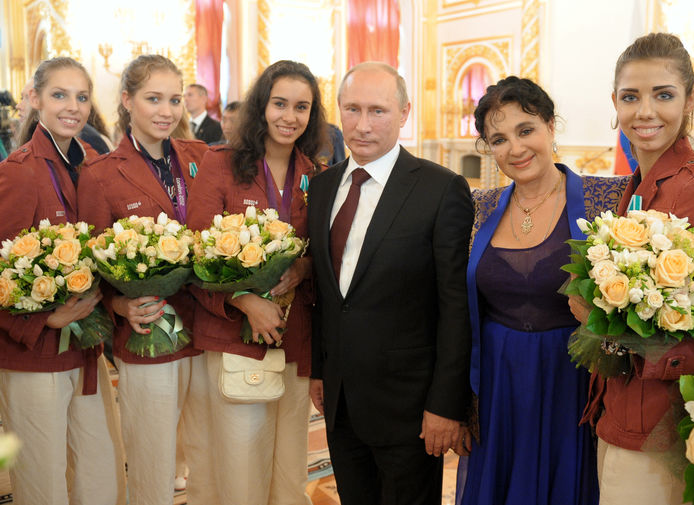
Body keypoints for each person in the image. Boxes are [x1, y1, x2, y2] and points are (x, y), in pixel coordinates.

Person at [570, 33, 694, 505]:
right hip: (619, 411)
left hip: (663, 429)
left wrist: (615, 333)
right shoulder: (638, 184)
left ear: (691, 99)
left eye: (664, 95)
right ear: (615, 102)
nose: (645, 111)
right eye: (631, 97)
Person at [307, 61, 474, 505]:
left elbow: (455, 307)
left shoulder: (440, 189)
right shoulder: (322, 188)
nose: (362, 125)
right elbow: (328, 296)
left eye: (377, 111)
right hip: (341, 401)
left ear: (404, 113)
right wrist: (320, 371)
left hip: (410, 408)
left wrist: (445, 405)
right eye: (352, 109)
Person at [456, 76, 628, 505]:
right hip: (497, 382)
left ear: (551, 125)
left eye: (525, 130)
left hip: (571, 379)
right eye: (499, 139)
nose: (515, 148)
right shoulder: (479, 207)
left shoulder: (607, 198)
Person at [78, 54, 215, 505]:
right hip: (148, 332)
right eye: (153, 99)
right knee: (152, 460)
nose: (166, 111)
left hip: (209, 328)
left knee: (209, 456)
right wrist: (119, 305)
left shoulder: (202, 157)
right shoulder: (100, 174)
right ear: (127, 101)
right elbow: (91, 265)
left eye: (174, 100)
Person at [186, 59, 324, 505]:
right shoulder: (221, 164)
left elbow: (323, 253)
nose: (290, 116)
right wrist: (245, 300)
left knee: (289, 471)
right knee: (241, 468)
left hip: (296, 336)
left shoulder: (317, 174)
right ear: (262, 105)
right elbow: (196, 254)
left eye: (301, 107)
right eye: (280, 103)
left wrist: (304, 268)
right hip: (234, 336)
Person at [0, 56, 122, 505]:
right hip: (32, 355)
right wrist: (43, 322)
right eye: (59, 94)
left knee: (99, 469)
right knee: (43, 479)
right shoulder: (18, 171)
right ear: (34, 98)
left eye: (82, 97)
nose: (73, 106)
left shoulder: (93, 164)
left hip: (86, 347)